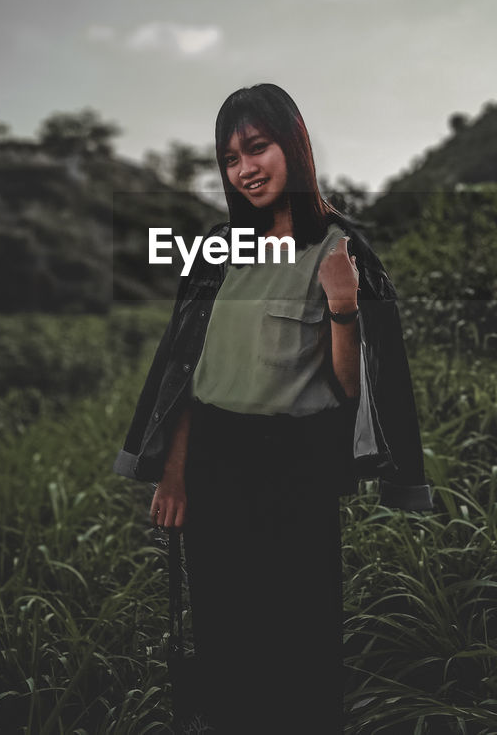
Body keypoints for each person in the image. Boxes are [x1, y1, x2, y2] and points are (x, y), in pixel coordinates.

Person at [113, 83, 434, 734]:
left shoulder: (340, 247)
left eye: (256, 148)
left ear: (293, 144)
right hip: (214, 462)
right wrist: (175, 473)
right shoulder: (219, 247)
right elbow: (188, 370)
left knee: (299, 642)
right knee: (224, 636)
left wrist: (343, 305)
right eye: (230, 159)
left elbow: (353, 388)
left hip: (295, 468)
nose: (245, 169)